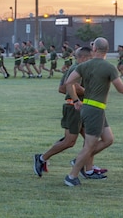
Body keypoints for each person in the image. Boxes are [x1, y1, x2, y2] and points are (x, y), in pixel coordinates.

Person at [62, 37, 123, 186]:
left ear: (94, 49)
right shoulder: (109, 67)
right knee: (89, 146)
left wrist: (76, 100)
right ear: (107, 50)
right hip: (94, 110)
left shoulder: (84, 65)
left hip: (94, 109)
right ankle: (71, 177)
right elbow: (122, 89)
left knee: (108, 139)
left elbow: (69, 82)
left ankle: (79, 160)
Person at [34, 46, 93, 176]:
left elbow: (62, 88)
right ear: (83, 58)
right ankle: (42, 158)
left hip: (80, 107)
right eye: (91, 58)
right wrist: (89, 93)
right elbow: (71, 86)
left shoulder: (76, 68)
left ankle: (88, 169)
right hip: (74, 107)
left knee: (90, 140)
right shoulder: (77, 69)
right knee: (69, 141)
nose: (92, 61)